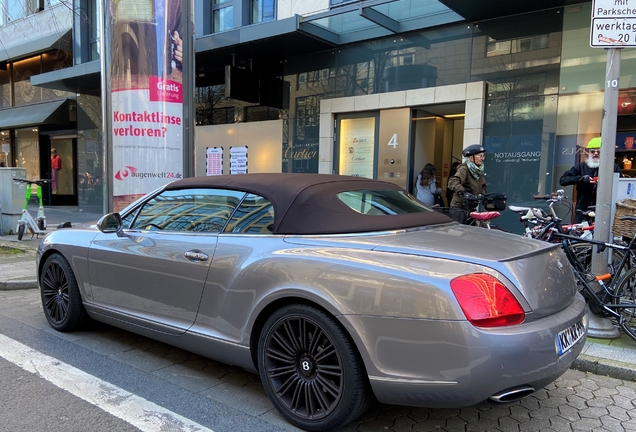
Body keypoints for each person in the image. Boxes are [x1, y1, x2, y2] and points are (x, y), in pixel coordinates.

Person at [559, 137, 621, 223]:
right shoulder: (581, 166)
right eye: (592, 151)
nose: (595, 153)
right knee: (579, 235)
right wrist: (581, 178)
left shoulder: (614, 167)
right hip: (582, 211)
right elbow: (563, 180)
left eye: (598, 151)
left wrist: (607, 182)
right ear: (589, 153)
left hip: (604, 211)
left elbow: (620, 185)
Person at [447, 144, 488, 213]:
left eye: (483, 156)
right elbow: (453, 182)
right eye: (480, 156)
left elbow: (483, 186)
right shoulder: (464, 169)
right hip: (459, 207)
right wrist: (464, 192)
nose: (483, 158)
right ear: (471, 158)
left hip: (471, 206)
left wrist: (483, 195)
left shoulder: (478, 170)